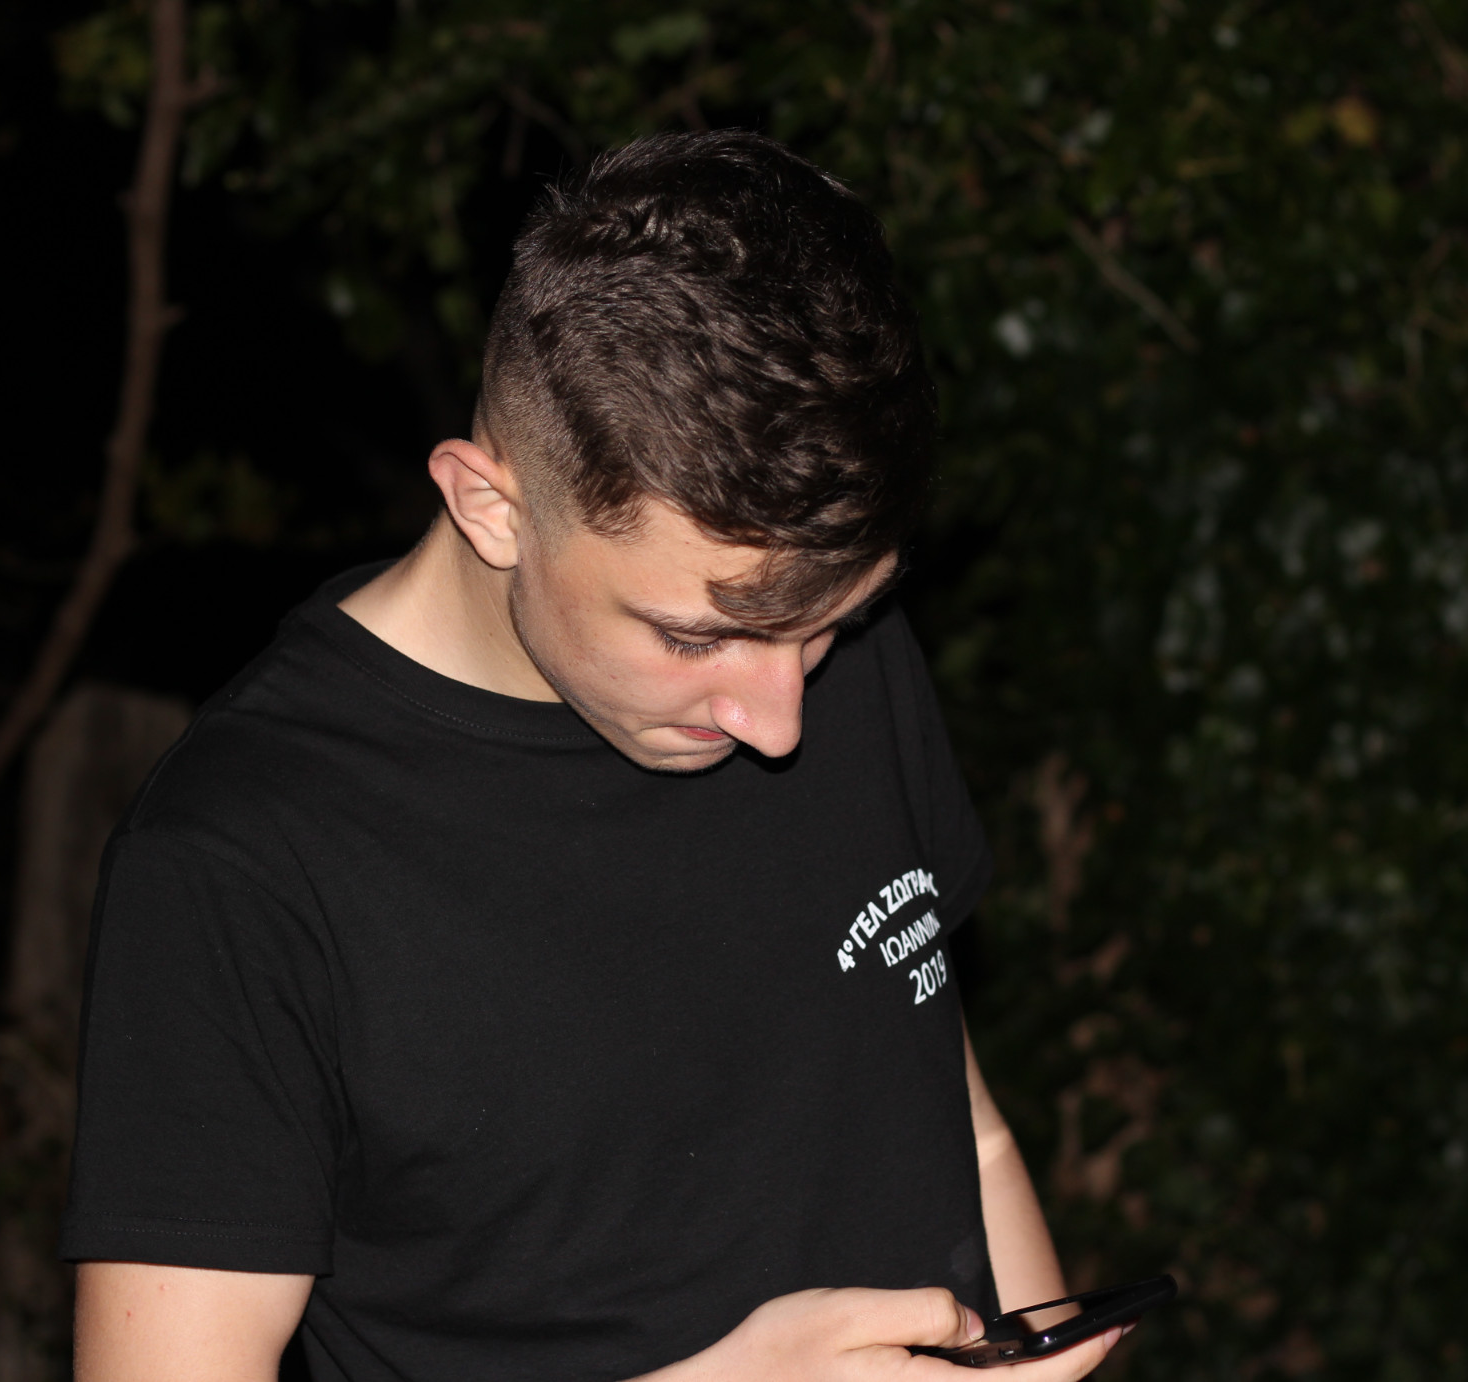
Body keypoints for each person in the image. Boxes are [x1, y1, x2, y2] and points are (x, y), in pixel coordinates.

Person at [61, 130, 1121, 1382]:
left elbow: (963, 1131)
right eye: (694, 637)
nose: (780, 716)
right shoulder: (240, 862)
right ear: (490, 506)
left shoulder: (812, 639)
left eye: (830, 620)